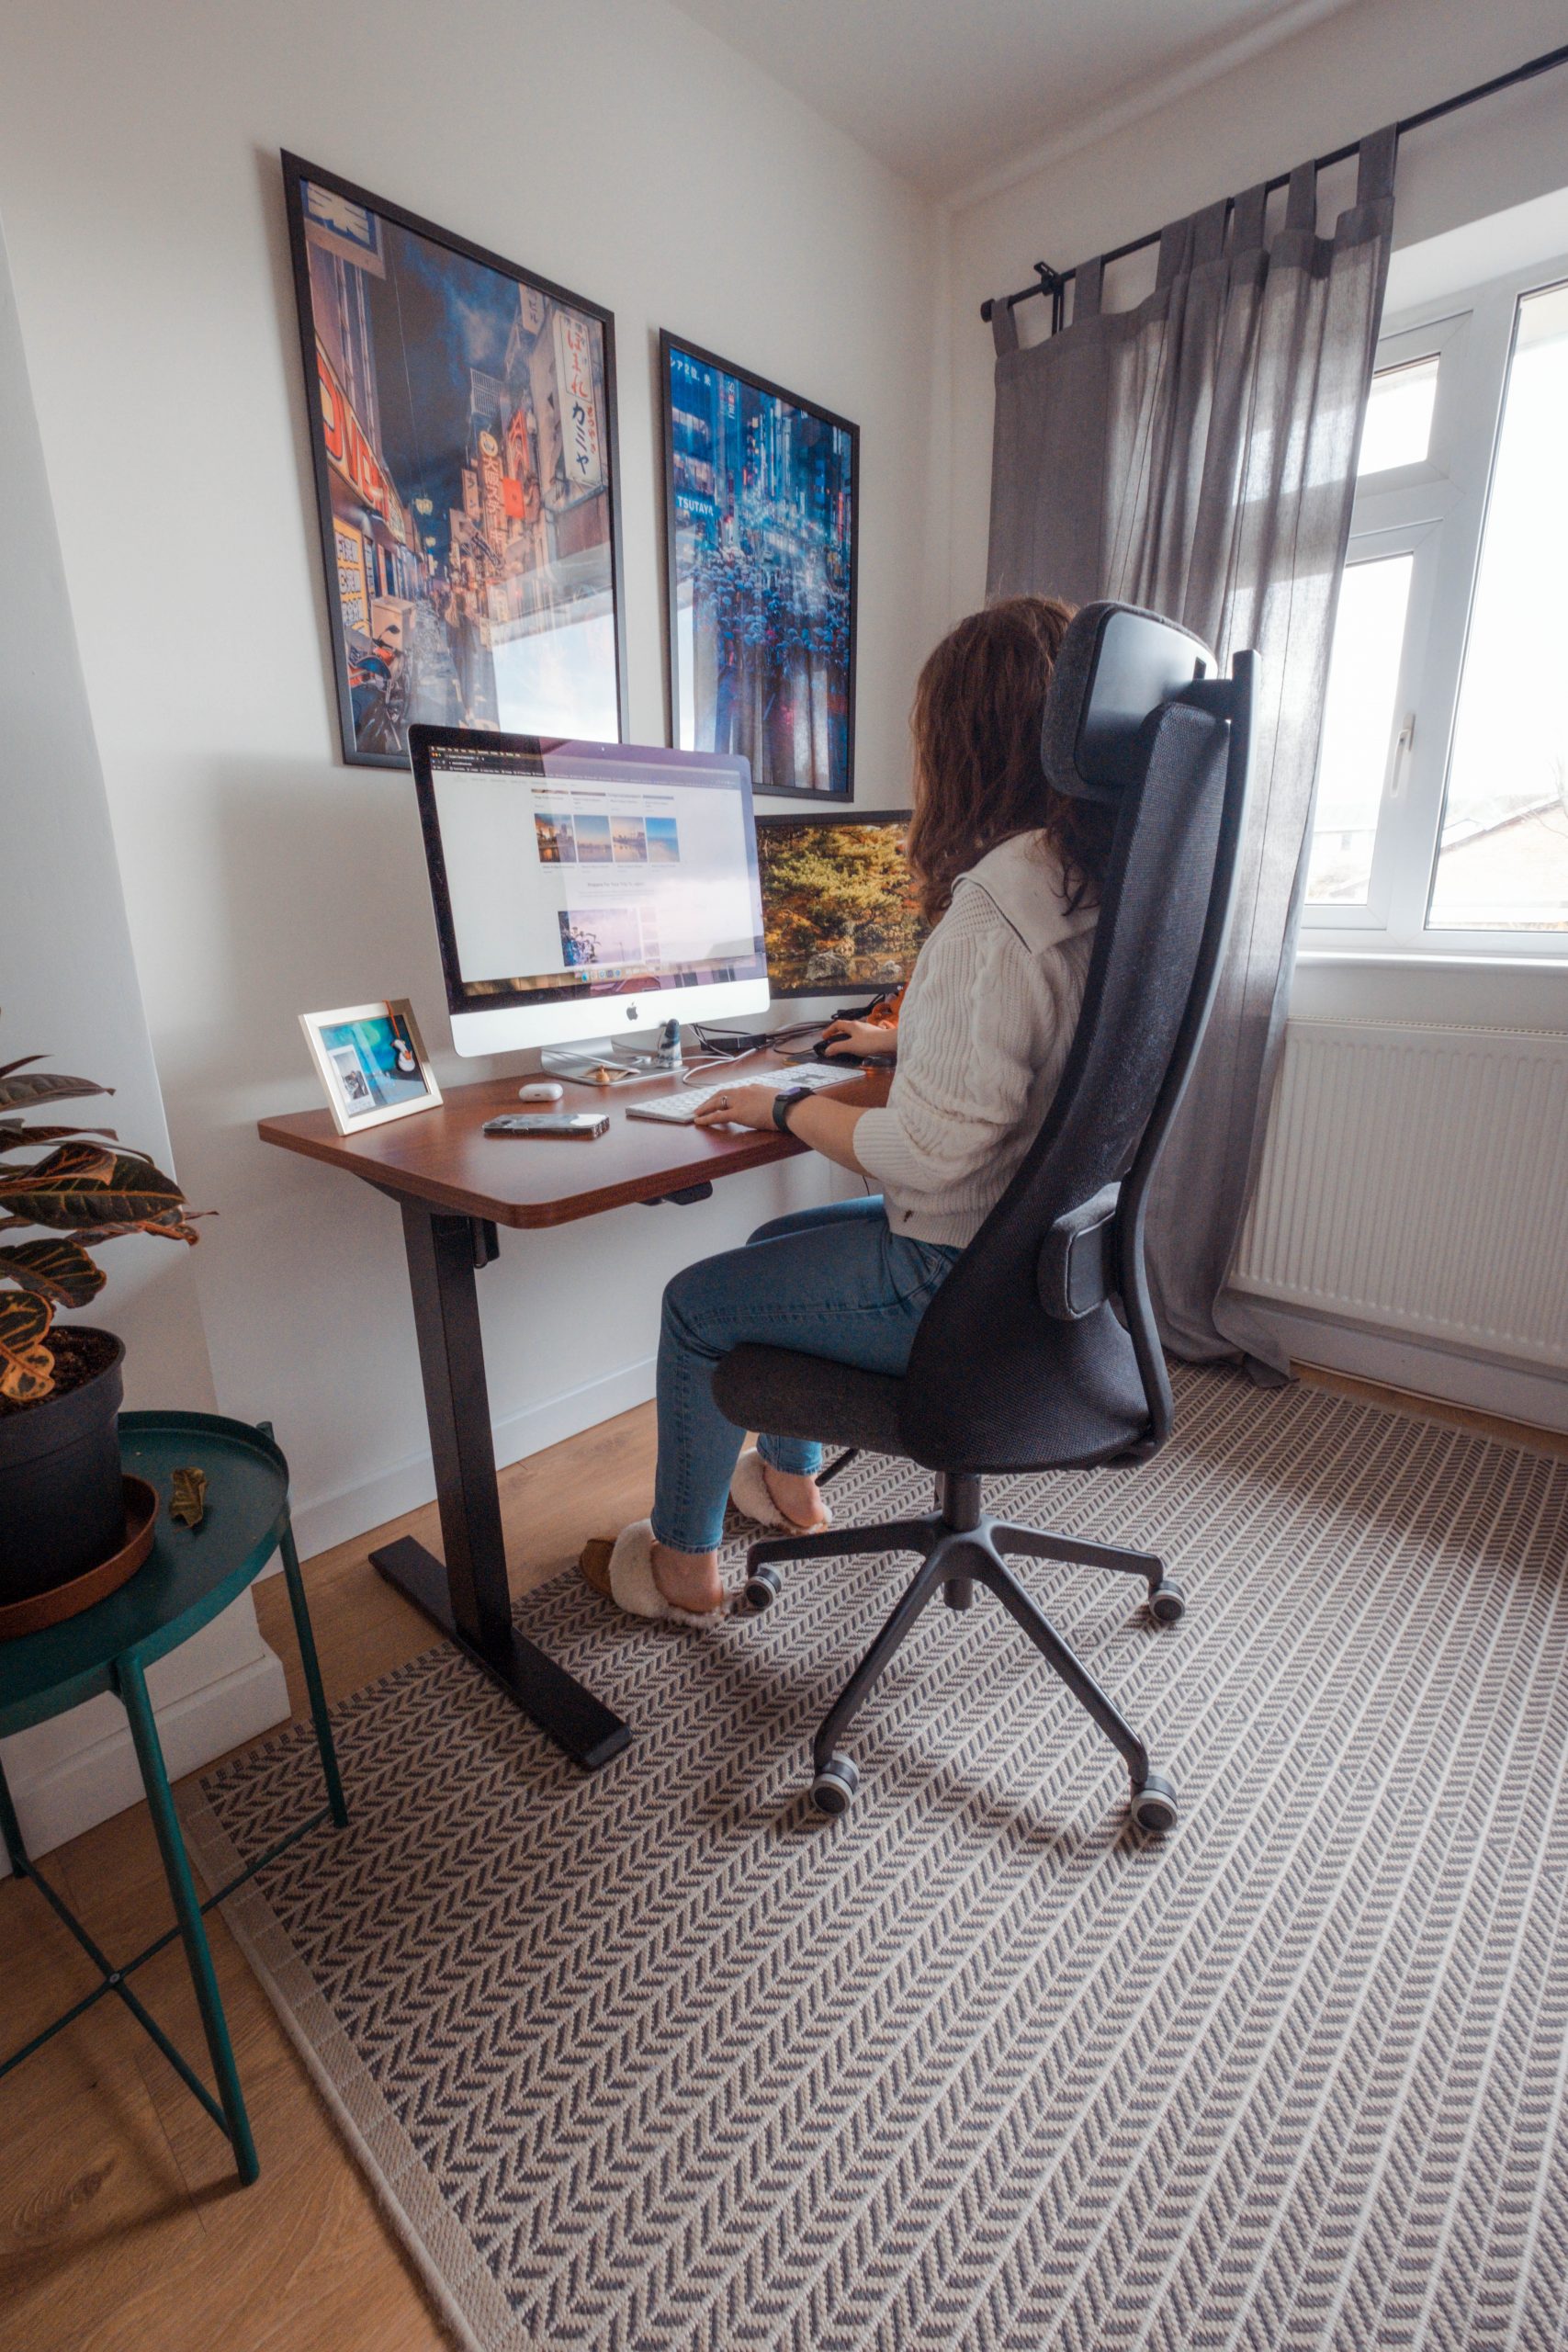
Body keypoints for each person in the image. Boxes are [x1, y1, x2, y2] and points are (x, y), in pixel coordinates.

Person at [582, 594, 1115, 1623]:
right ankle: (792, 1486)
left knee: (697, 1304)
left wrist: (783, 1108)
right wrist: (901, 1040)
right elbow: (1034, 1047)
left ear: (960, 740)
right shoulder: (1083, 885)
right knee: (777, 1234)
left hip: (951, 1279)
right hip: (1036, 1267)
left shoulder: (990, 907)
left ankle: (683, 1568)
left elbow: (920, 1154)